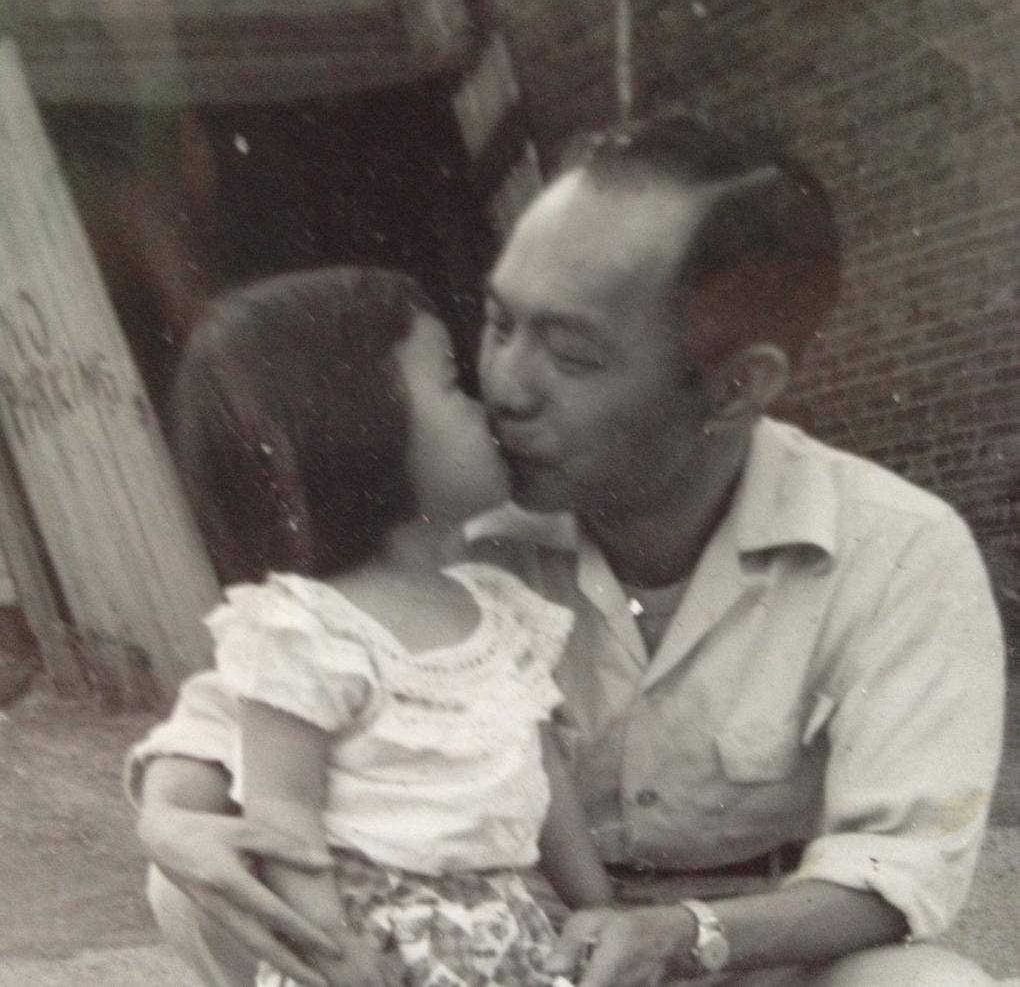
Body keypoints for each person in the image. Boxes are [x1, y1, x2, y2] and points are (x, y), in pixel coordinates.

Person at [129, 114, 1006, 986]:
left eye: (573, 354)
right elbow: (233, 713)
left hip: (745, 949)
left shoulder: (895, 549)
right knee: (194, 887)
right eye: (501, 324)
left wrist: (686, 933)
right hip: (508, 945)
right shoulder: (438, 521)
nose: (505, 386)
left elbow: (901, 867)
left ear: (737, 385)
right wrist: (171, 819)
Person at [155, 265, 612, 987]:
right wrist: (335, 953)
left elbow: (543, 776)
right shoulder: (309, 630)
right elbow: (282, 813)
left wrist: (597, 906)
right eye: (450, 382)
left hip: (501, 935)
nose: (482, 408)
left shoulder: (498, 607)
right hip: (376, 954)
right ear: (361, 427)